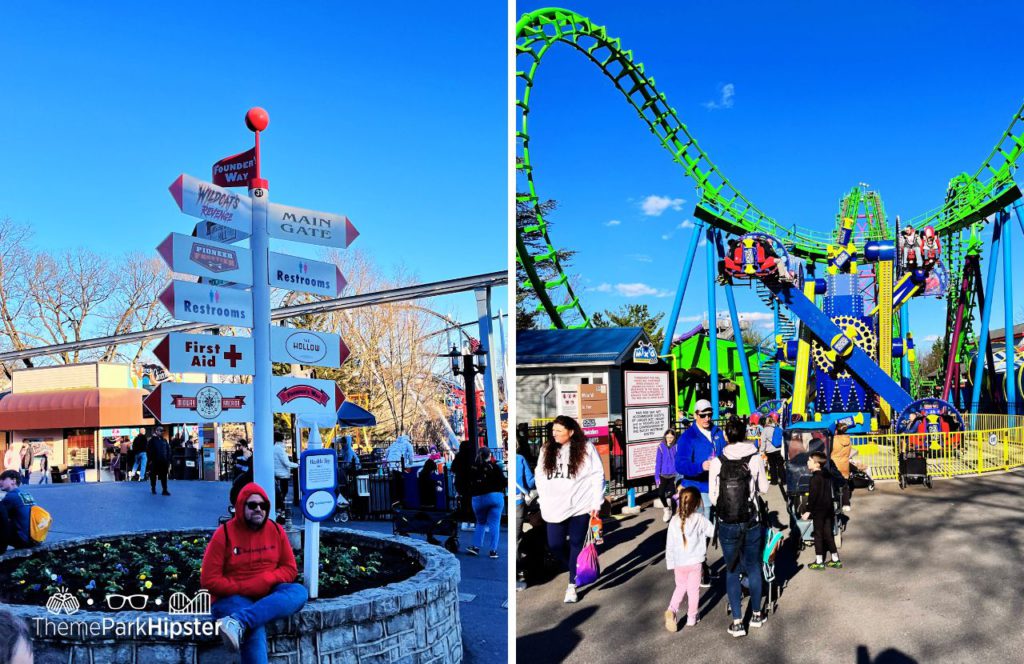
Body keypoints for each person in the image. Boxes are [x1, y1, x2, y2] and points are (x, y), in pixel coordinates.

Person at [201, 483, 308, 663]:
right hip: (232, 597)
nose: (258, 509)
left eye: (263, 505)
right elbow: (209, 580)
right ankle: (244, 622)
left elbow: (290, 568)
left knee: (299, 592)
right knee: (255, 628)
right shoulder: (224, 534)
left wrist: (267, 580)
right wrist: (245, 588)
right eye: (252, 505)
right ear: (241, 506)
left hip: (268, 591)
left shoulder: (276, 530)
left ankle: (239, 622)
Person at [708, 416, 768, 637]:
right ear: (745, 433)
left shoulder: (718, 461)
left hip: (727, 522)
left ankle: (736, 622)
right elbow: (764, 488)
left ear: (726, 436)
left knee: (731, 570)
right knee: (753, 566)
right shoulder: (754, 457)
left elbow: (714, 498)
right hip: (751, 519)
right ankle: (756, 615)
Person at [534, 415, 605, 604]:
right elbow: (539, 474)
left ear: (571, 432)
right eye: (553, 430)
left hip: (580, 505)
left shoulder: (586, 448)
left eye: (559, 431)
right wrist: (542, 499)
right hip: (554, 506)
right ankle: (576, 567)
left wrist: (596, 503)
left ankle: (572, 585)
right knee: (555, 544)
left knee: (576, 543)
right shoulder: (546, 449)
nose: (554, 434)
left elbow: (597, 474)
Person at [674, 399, 726, 587]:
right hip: (699, 489)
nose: (706, 418)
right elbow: (679, 464)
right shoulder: (688, 437)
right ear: (695, 415)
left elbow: (724, 453)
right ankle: (701, 568)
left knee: (715, 529)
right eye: (702, 414)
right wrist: (700, 466)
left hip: (718, 487)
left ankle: (709, 566)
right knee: (700, 531)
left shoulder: (717, 432)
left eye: (709, 414)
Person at [663, 486, 715, 632]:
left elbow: (669, 544)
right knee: (693, 590)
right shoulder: (699, 519)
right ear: (697, 504)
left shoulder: (673, 521)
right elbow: (712, 531)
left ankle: (672, 609)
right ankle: (692, 617)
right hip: (695, 562)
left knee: (680, 587)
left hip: (679, 562)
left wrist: (670, 562)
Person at [801, 452, 842, 570]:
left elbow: (813, 497)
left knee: (818, 535)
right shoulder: (827, 475)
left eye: (810, 461)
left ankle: (819, 561)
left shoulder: (814, 479)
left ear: (817, 464)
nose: (807, 462)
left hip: (818, 511)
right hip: (828, 509)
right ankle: (835, 559)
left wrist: (808, 511)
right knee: (828, 534)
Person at [467, 447, 506, 559]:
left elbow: (469, 483)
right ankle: (493, 551)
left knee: (481, 523)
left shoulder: (474, 468)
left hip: (479, 498)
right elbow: (503, 482)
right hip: (496, 497)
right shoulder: (495, 467)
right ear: (490, 455)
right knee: (495, 524)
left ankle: (476, 547)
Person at [515, 449, 536, 591]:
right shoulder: (519, 458)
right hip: (518, 502)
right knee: (515, 539)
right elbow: (529, 482)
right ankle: (517, 576)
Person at [0, 470, 36, 552]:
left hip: (23, 540)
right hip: (34, 538)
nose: (0, 482)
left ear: (13, 481)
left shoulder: (11, 497)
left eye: (3, 479)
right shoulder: (26, 494)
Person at [450, 440, 476, 531]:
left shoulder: (458, 457)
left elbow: (453, 468)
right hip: (470, 482)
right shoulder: (472, 456)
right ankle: (473, 521)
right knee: (472, 500)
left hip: (460, 482)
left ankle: (466, 521)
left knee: (464, 500)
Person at [654, 429, 679, 523]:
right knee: (660, 494)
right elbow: (658, 462)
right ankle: (666, 509)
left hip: (673, 475)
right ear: (665, 437)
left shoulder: (676, 447)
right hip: (663, 475)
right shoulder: (660, 447)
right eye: (668, 437)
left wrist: (678, 475)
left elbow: (677, 461)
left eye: (671, 437)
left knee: (672, 495)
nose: (669, 439)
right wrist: (656, 476)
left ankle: (673, 513)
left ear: (674, 437)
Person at [272, 433, 298, 519]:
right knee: (283, 493)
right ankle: (281, 511)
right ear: (282, 439)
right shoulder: (280, 449)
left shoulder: (274, 448)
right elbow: (286, 463)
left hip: (276, 473)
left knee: (280, 493)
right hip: (282, 474)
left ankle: (279, 510)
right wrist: (297, 465)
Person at [760, 414, 786, 497]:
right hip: (778, 449)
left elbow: (763, 441)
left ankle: (774, 481)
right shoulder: (778, 428)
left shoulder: (765, 430)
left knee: (772, 466)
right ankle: (784, 479)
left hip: (770, 451)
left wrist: (762, 450)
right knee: (780, 465)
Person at [831, 422, 853, 512]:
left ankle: (836, 502)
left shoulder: (833, 440)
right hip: (845, 463)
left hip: (835, 464)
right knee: (845, 485)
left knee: (834, 484)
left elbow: (830, 451)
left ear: (836, 430)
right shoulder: (848, 440)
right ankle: (846, 504)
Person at [147, 426, 171, 496]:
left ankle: (164, 490)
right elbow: (148, 451)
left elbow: (168, 450)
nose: (162, 432)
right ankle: (153, 488)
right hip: (155, 461)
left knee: (164, 476)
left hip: (164, 461)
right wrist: (150, 460)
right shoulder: (152, 440)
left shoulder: (164, 440)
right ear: (156, 431)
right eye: (160, 431)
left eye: (163, 431)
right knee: (153, 476)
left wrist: (168, 459)